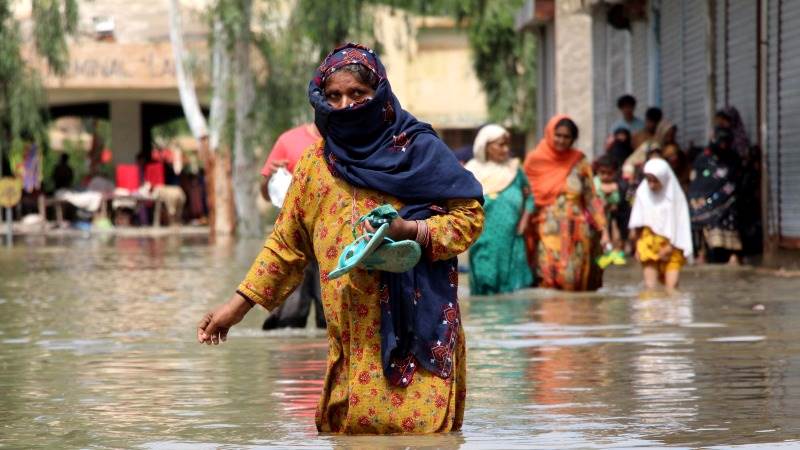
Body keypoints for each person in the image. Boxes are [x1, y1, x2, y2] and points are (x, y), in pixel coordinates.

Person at [196, 43, 485, 434]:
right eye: (334, 96)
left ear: (379, 94)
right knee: (350, 433)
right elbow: (285, 246)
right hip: (351, 339)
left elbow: (469, 217)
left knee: (421, 436)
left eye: (357, 95)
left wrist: (410, 230)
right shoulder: (316, 164)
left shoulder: (417, 149)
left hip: (417, 335)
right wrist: (236, 308)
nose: (346, 105)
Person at [523, 115, 609, 291]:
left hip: (576, 233)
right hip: (546, 229)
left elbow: (591, 197)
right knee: (548, 276)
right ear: (550, 133)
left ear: (573, 139)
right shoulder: (535, 160)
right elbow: (526, 196)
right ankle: (550, 317)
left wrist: (603, 229)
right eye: (558, 135)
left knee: (573, 280)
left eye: (566, 137)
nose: (561, 140)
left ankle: (573, 317)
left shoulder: (579, 162)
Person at [259, 123, 326, 330]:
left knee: (334, 320)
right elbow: (266, 194)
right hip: (295, 241)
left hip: (334, 242)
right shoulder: (287, 140)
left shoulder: (352, 141)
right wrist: (269, 178)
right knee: (288, 320)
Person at [465, 124, 533, 295]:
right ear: (486, 146)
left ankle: (509, 320)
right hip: (483, 236)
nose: (506, 149)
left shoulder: (515, 169)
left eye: (507, 145)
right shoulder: (472, 171)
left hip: (511, 236)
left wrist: (523, 224)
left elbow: (529, 197)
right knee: (484, 279)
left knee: (511, 284)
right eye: (500, 145)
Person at [629, 158, 692, 292]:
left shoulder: (676, 196)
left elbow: (680, 225)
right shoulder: (642, 192)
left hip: (672, 246)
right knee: (650, 289)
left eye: (655, 180)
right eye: (648, 180)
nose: (651, 185)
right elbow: (638, 221)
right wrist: (637, 247)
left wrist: (670, 246)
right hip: (648, 243)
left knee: (672, 289)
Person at [689, 127, 742, 265]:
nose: (723, 145)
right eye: (721, 141)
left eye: (726, 142)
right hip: (702, 201)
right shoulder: (703, 159)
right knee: (697, 216)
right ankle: (701, 254)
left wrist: (719, 198)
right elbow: (696, 182)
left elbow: (734, 182)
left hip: (727, 200)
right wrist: (699, 199)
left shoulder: (733, 159)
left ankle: (733, 255)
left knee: (727, 213)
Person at [593, 155, 623, 251]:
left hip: (608, 218)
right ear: (597, 171)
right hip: (594, 218)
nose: (606, 176)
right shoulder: (595, 182)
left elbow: (615, 202)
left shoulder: (616, 185)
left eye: (609, 173)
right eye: (603, 173)